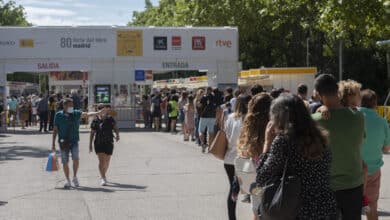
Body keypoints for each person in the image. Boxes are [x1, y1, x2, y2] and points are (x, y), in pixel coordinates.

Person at [257, 94, 337, 219]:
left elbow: (262, 177)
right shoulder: (320, 137)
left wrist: (267, 143)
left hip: (295, 210)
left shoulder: (283, 141)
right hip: (325, 208)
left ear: (279, 117)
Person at [312, 74, 365, 220]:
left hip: (325, 187)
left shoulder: (313, 122)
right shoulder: (358, 117)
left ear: (318, 94)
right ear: (337, 90)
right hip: (354, 184)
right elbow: (359, 143)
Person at [235, 93, 272, 220]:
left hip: (255, 180)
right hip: (273, 179)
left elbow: (245, 153)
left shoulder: (249, 126)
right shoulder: (274, 126)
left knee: (257, 212)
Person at [52, 98, 102, 188]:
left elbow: (86, 114)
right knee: (65, 162)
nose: (72, 107)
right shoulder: (58, 115)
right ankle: (67, 180)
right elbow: (55, 130)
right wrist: (53, 143)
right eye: (70, 105)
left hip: (74, 141)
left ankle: (74, 177)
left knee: (76, 159)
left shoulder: (75, 113)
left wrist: (97, 113)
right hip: (63, 142)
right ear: (64, 106)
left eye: (72, 105)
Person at [359, 89, 390, 220]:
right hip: (373, 171)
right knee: (372, 207)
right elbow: (387, 147)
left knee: (351, 209)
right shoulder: (382, 122)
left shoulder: (354, 117)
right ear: (375, 104)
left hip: (354, 170)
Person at [223, 94, 251, 220]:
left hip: (229, 157)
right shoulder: (249, 118)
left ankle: (231, 217)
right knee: (253, 188)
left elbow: (226, 135)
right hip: (244, 157)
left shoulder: (229, 117)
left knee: (233, 188)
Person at [90, 104, 120, 186]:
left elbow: (115, 127)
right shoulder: (95, 120)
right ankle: (103, 177)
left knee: (107, 161)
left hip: (109, 142)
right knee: (101, 161)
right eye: (100, 109)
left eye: (104, 109)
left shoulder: (110, 119)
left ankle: (103, 174)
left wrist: (117, 135)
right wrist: (90, 145)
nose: (103, 111)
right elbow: (92, 133)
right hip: (98, 142)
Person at [199, 87, 218, 153]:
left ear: (206, 90)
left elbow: (200, 106)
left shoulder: (203, 97)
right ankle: (210, 148)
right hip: (212, 116)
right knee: (211, 132)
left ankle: (202, 144)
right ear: (211, 91)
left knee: (201, 131)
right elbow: (216, 107)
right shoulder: (214, 97)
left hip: (204, 116)